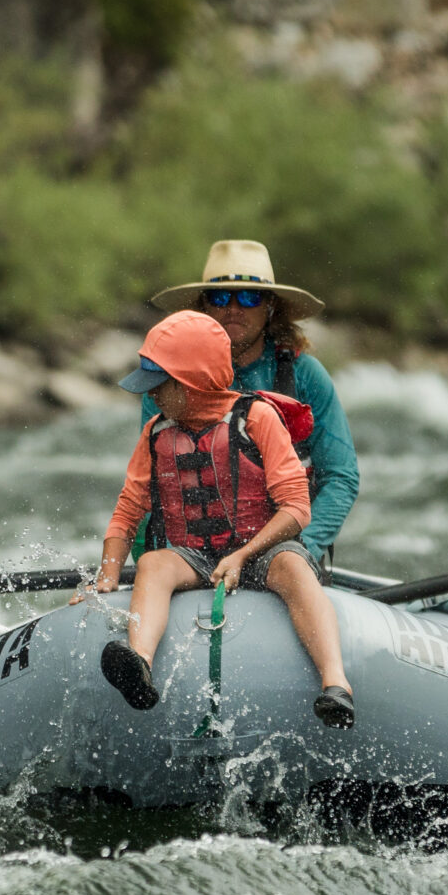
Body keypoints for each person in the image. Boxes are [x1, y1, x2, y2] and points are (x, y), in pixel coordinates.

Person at [95, 310, 354, 728]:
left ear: (191, 385)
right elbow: (128, 509)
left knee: (294, 567)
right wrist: (107, 576)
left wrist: (242, 556)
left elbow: (296, 507)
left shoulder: (258, 419)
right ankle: (139, 663)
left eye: (160, 386)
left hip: (263, 549)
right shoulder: (156, 433)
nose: (153, 397)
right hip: (194, 555)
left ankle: (336, 684)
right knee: (152, 563)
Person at [144, 240, 359, 566]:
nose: (233, 308)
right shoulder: (167, 381)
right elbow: (147, 487)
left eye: (249, 297)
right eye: (219, 297)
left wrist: (303, 550)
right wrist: (149, 561)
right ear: (205, 307)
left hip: (284, 555)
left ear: (270, 306)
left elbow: (341, 477)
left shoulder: (306, 375)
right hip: (190, 559)